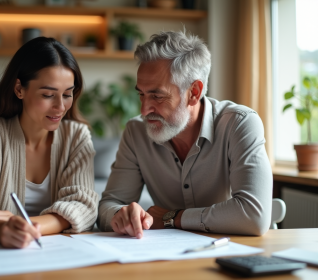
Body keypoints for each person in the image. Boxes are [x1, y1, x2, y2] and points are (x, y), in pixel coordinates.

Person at [98, 31, 273, 238]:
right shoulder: (136, 132)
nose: (144, 110)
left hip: (232, 252)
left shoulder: (240, 124)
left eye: (157, 95)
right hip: (167, 258)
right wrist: (122, 214)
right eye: (141, 94)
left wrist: (172, 218)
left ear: (194, 93)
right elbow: (107, 208)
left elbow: (254, 216)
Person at [0, 37, 98, 248]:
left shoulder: (77, 137)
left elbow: (83, 206)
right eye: (48, 94)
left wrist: (25, 225)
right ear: (19, 89)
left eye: (67, 94)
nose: (60, 107)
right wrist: (0, 231)